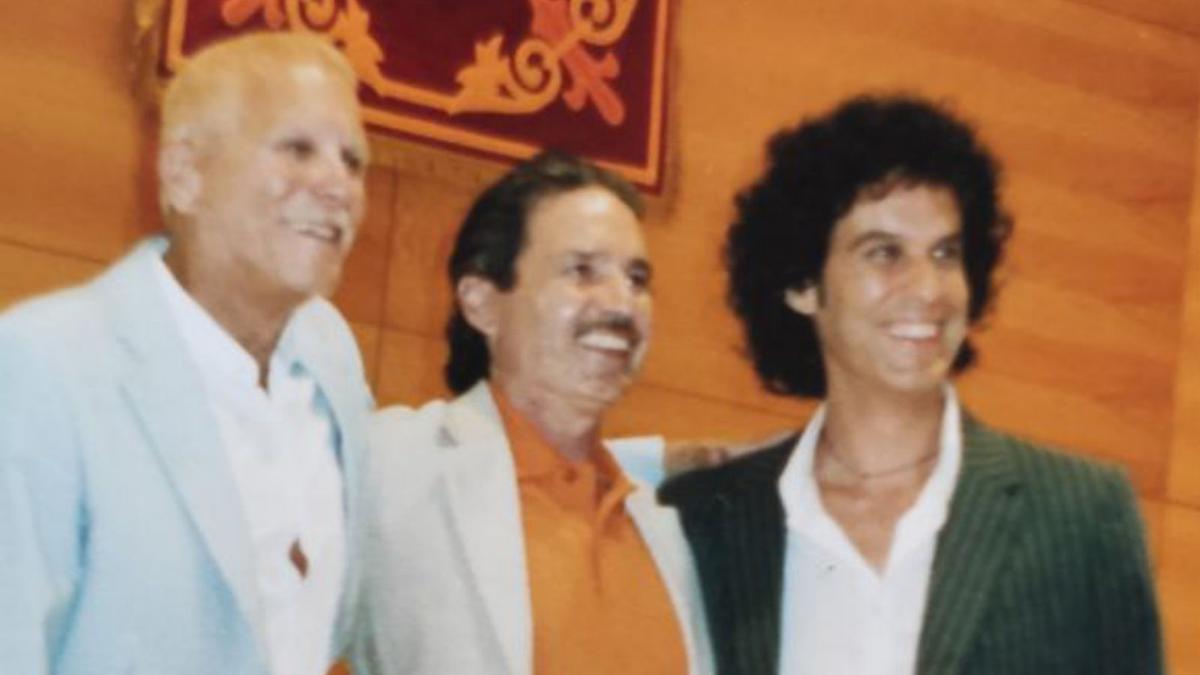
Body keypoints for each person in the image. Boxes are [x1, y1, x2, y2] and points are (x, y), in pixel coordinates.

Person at [659, 95, 1163, 675]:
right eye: (884, 253)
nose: (929, 288)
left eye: (946, 253)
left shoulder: (1081, 515)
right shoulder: (707, 517)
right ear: (802, 284)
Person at [0, 32, 373, 675]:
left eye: (352, 161)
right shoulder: (46, 365)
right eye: (297, 149)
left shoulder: (331, 358)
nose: (337, 185)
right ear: (184, 175)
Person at [354, 151, 713, 675]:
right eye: (582, 271)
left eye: (637, 279)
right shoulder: (391, 464)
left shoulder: (673, 538)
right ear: (482, 303)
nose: (621, 304)